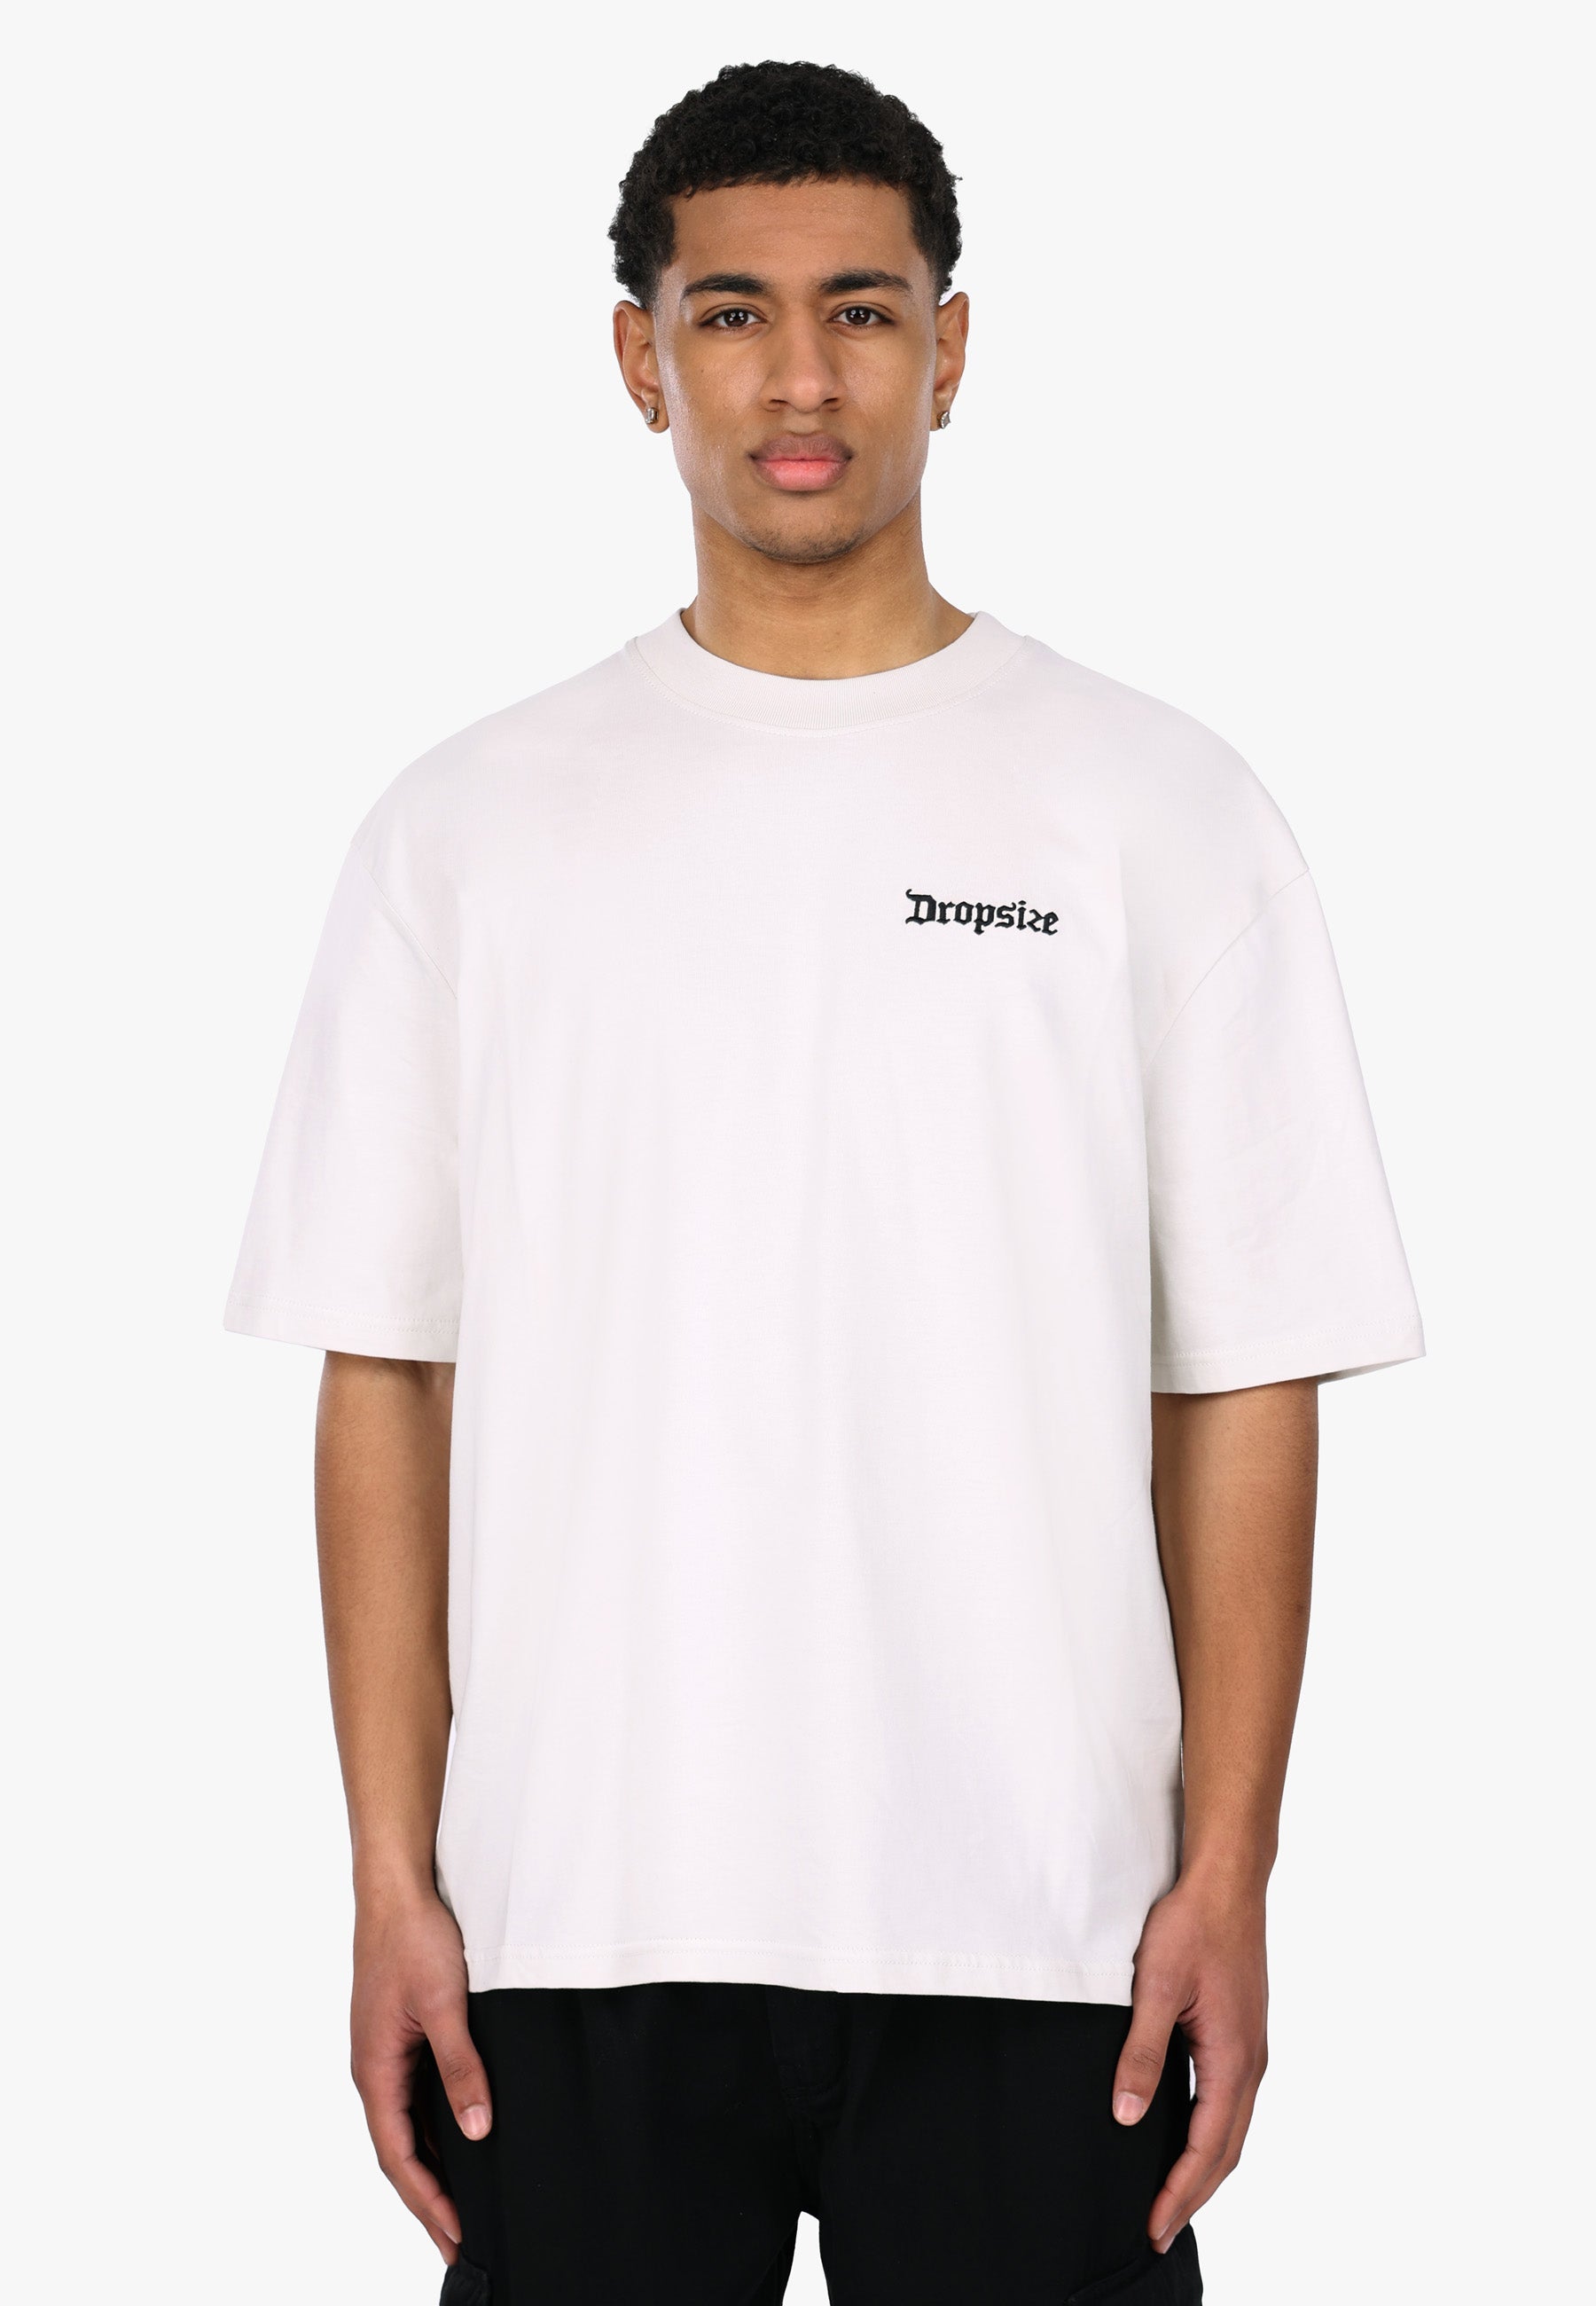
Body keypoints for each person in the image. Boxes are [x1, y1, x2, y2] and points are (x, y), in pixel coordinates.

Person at [225, 58, 1422, 2306]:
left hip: (1047, 1928)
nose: (801, 378)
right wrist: (391, 1876)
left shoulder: (1159, 810)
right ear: (639, 355)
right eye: (734, 313)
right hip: (574, 1920)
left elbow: (1242, 1382)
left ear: (950, 348)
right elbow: (385, 1372)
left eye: (863, 311)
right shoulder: (467, 829)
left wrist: (1230, 1870)